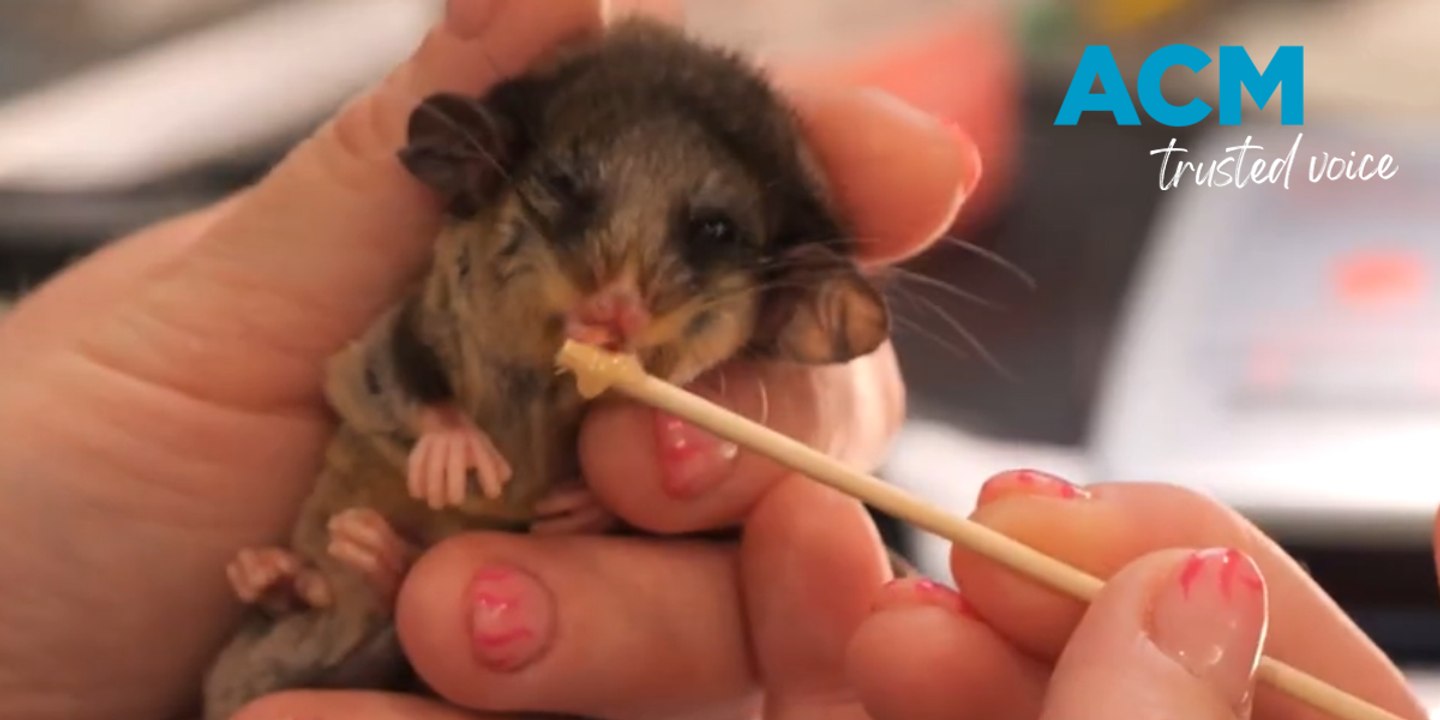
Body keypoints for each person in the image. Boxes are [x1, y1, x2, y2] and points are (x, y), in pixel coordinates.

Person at [0, 2, 1427, 719]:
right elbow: (384, 367)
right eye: (567, 217)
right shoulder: (433, 293)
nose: (616, 308)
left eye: (695, 249)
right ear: (485, 183)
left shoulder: (745, 330)